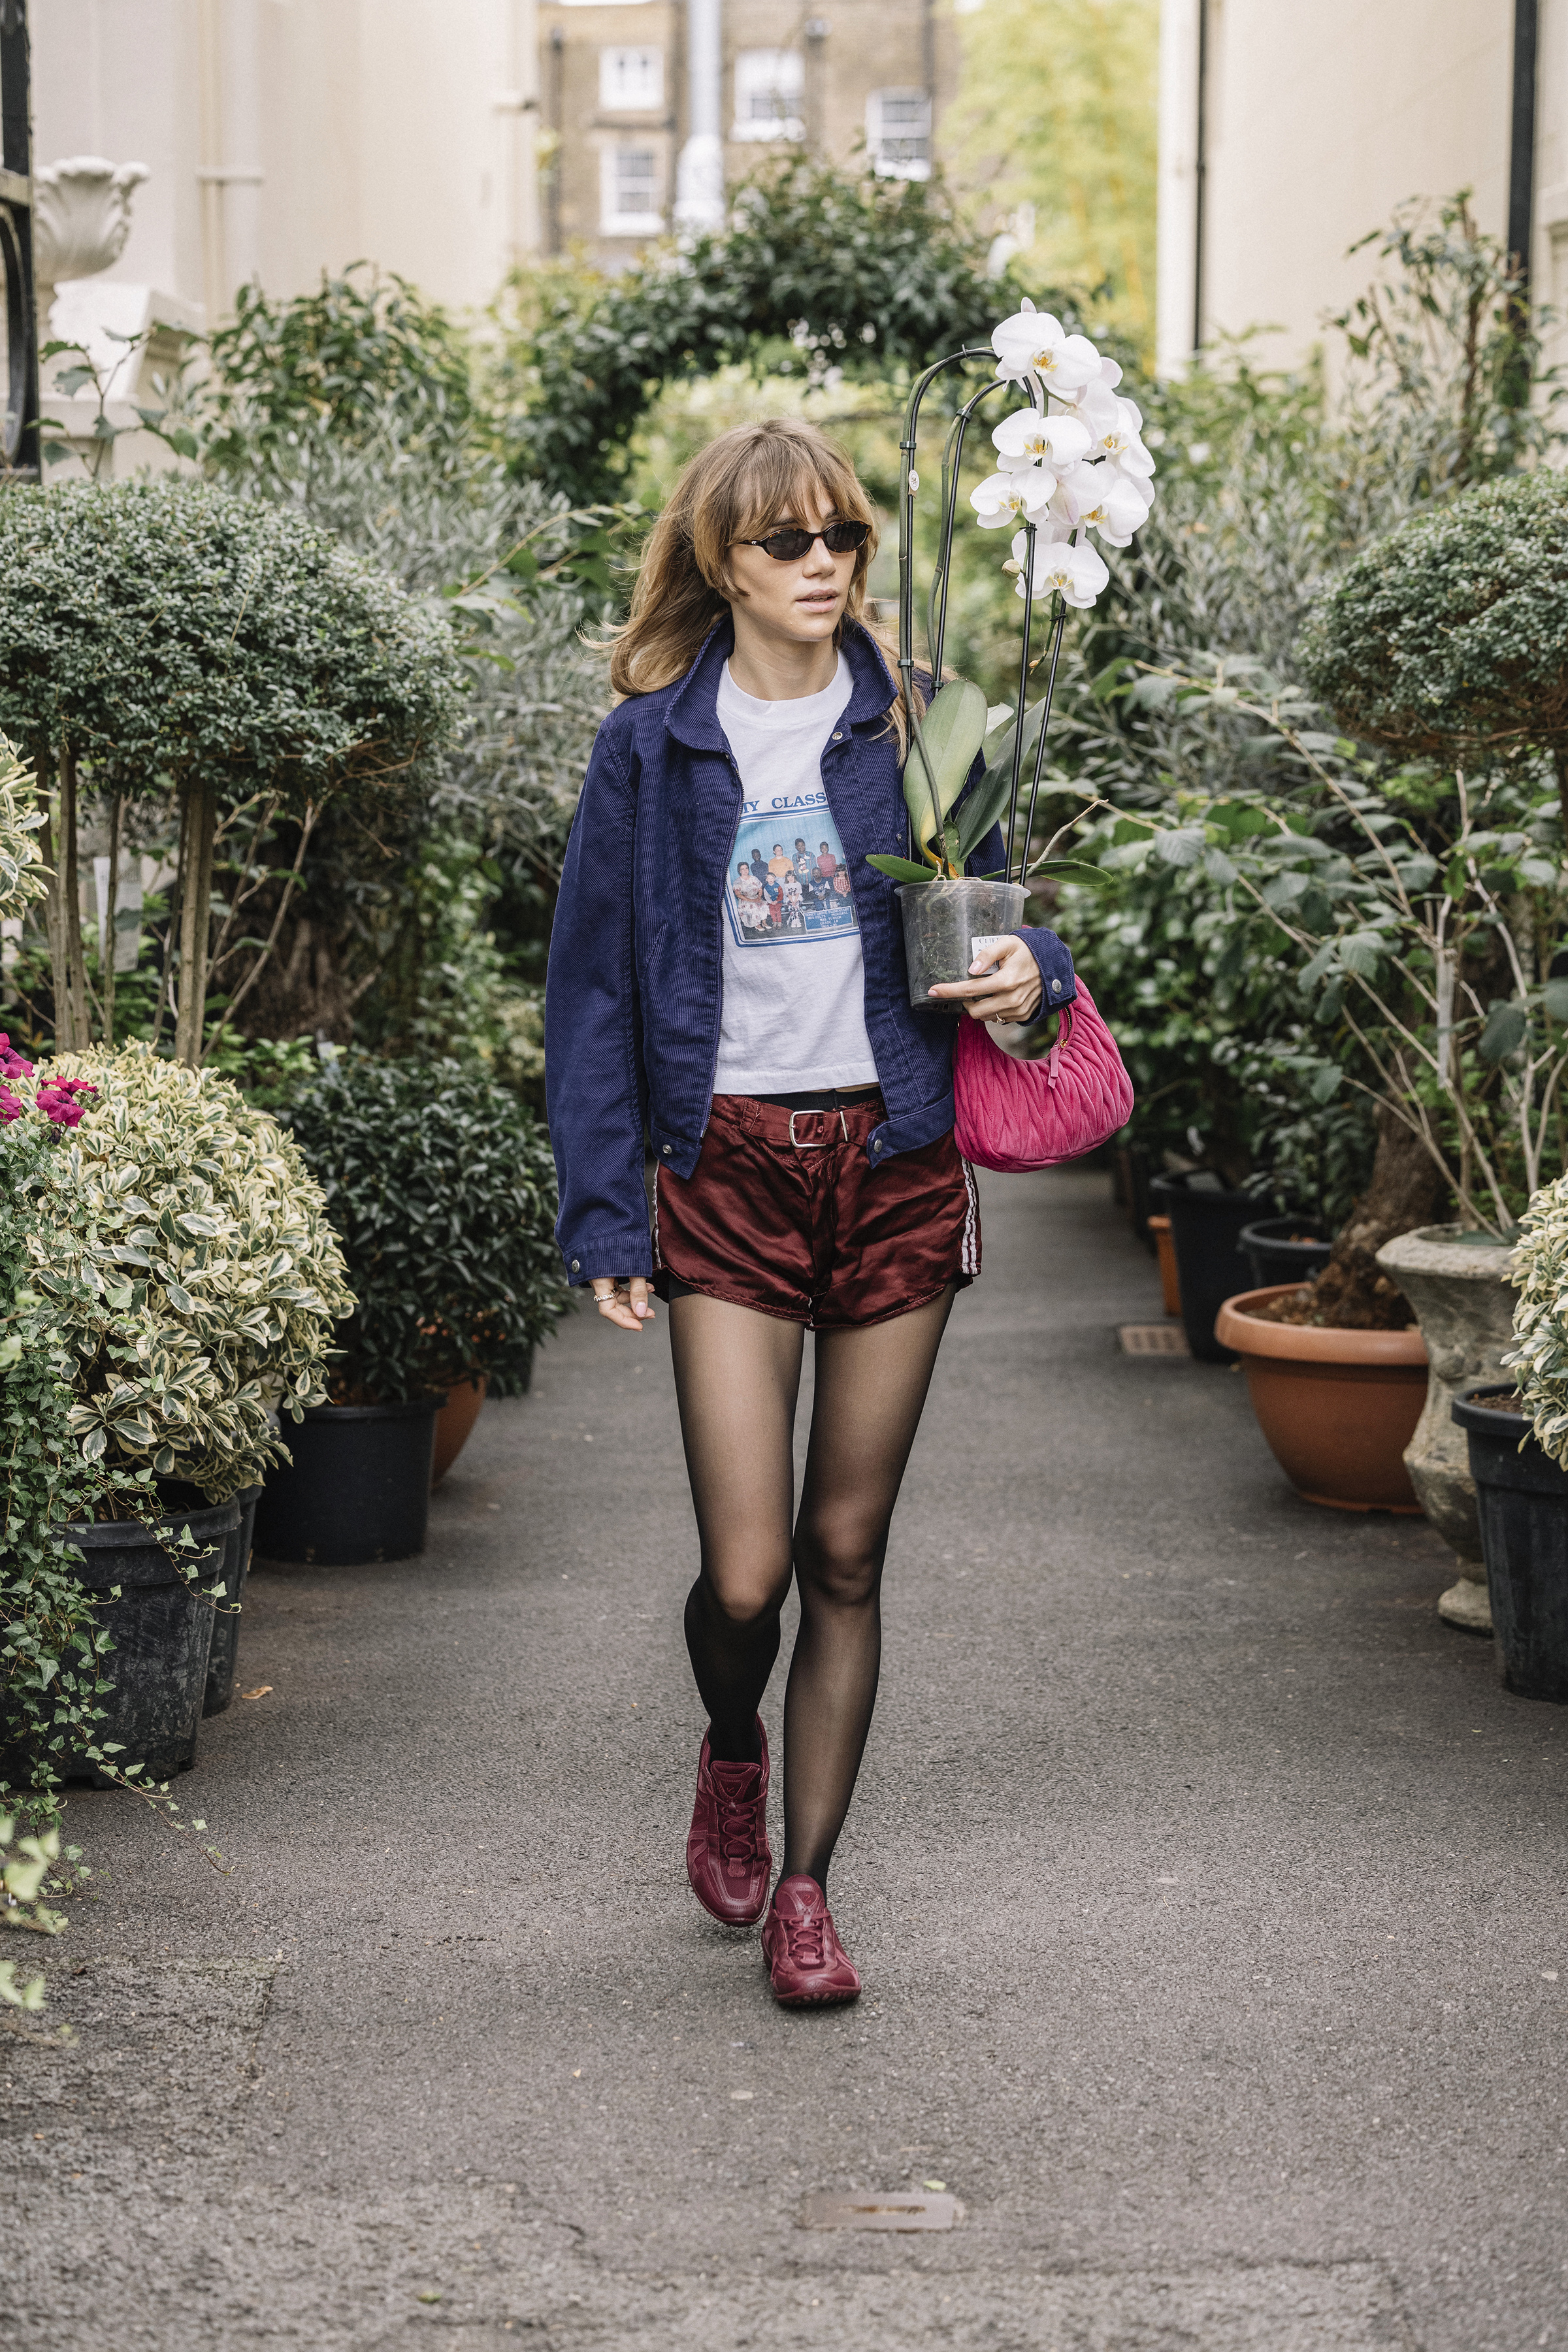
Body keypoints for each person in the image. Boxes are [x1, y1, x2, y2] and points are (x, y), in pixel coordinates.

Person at [546, 418, 1075, 2009]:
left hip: (898, 1158)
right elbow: (587, 994)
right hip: (729, 1174)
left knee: (850, 1551)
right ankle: (730, 1741)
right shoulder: (651, 747)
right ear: (723, 560)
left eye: (841, 533)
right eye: (786, 540)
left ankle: (806, 1889)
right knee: (753, 1575)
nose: (824, 562)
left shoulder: (913, 721)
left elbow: (1003, 923)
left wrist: (1029, 977)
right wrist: (604, 1219)